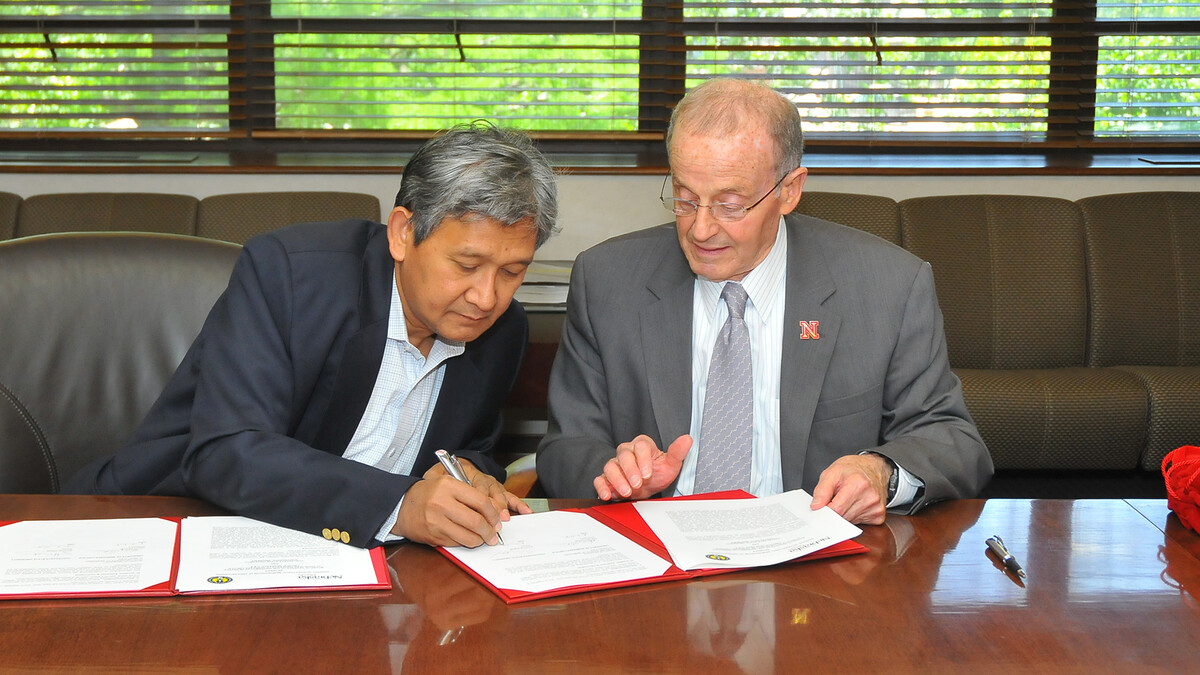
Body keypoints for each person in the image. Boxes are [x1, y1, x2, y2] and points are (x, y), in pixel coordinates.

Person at [65, 122, 558, 548]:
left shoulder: (502, 330)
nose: (487, 297)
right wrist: (397, 504)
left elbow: (471, 444)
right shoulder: (289, 276)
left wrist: (467, 473)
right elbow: (226, 451)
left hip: (354, 560)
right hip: (170, 525)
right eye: (467, 265)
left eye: (513, 271)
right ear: (403, 233)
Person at [535, 79, 992, 524]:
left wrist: (881, 471)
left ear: (789, 190)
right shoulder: (608, 280)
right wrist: (614, 473)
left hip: (816, 564)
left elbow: (952, 440)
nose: (701, 229)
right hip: (659, 556)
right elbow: (563, 450)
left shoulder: (887, 286)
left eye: (731, 204)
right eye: (685, 199)